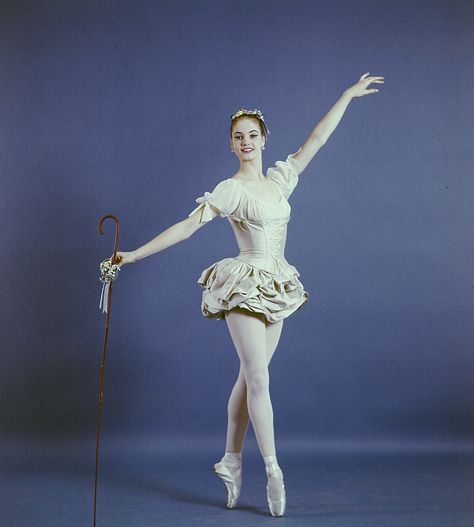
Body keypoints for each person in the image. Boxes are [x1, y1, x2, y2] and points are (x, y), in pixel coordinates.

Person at [108, 72, 384, 517]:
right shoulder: (230, 190)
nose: (246, 142)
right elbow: (187, 226)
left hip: (277, 284)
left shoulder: (281, 180)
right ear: (232, 145)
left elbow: (316, 140)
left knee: (247, 376)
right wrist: (135, 254)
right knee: (258, 377)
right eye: (239, 137)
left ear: (264, 139)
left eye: (253, 135)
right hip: (242, 283)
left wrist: (347, 96)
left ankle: (231, 460)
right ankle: (273, 469)